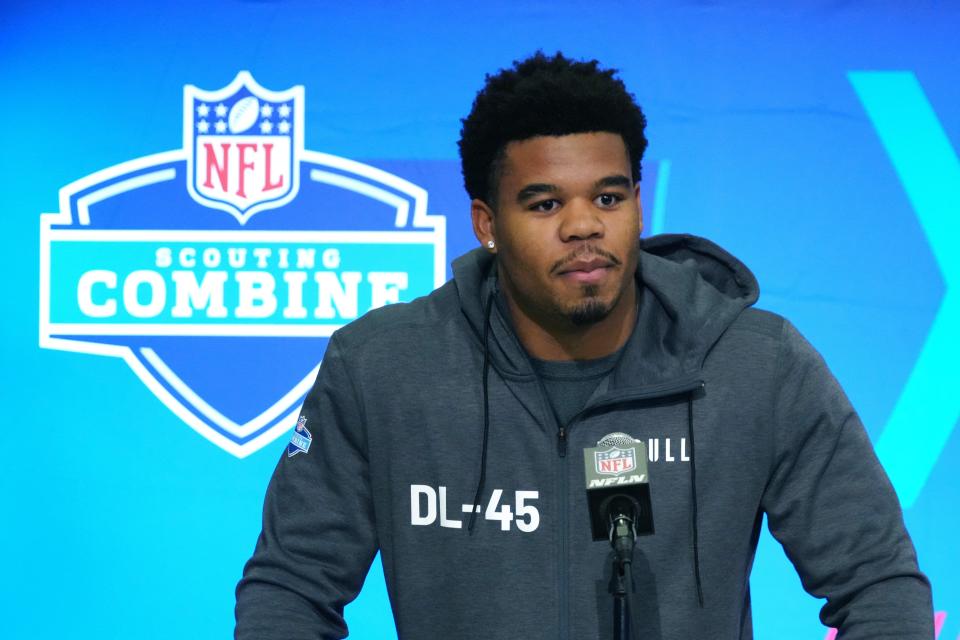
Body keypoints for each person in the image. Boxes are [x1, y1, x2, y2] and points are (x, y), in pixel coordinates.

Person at [235, 52, 933, 639]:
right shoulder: (383, 368)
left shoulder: (754, 364)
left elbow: (878, 586)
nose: (582, 227)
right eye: (544, 204)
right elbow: (290, 590)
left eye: (608, 198)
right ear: (486, 221)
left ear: (637, 198)